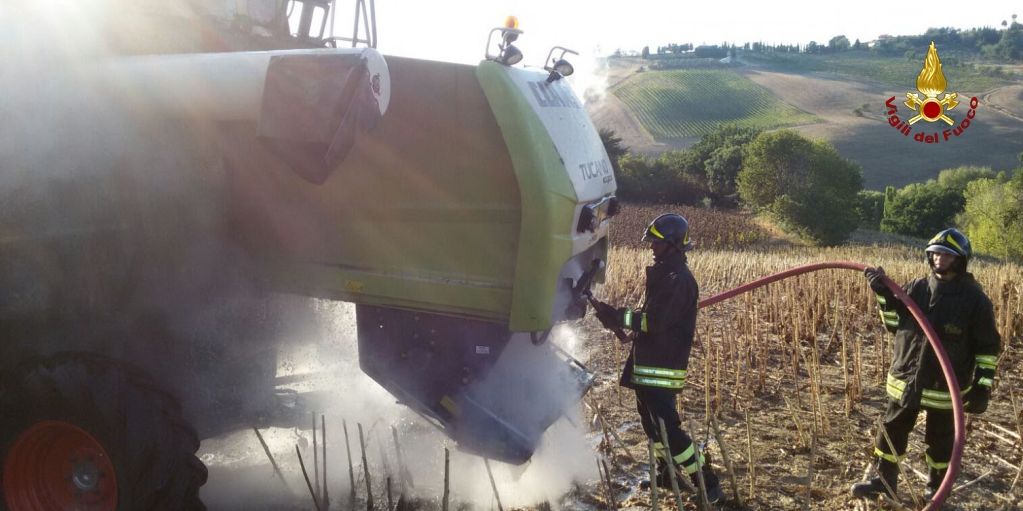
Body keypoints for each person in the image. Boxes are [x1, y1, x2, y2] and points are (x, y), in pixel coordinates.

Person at [851, 228, 1001, 500]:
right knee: (891, 432)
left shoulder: (975, 301)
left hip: (945, 388)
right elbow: (895, 326)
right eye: (935, 254)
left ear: (961, 259)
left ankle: (936, 491)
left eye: (947, 255)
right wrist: (884, 296)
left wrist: (982, 386)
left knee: (941, 443)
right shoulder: (915, 289)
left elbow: (988, 348)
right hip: (906, 381)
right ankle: (884, 481)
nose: (939, 259)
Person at [592, 213, 725, 503]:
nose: (651, 246)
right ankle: (667, 473)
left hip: (660, 368)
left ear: (674, 245)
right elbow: (648, 322)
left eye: (656, 242)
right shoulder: (666, 274)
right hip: (649, 365)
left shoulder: (678, 280)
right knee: (652, 427)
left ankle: (706, 481)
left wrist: (618, 316)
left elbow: (654, 322)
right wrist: (617, 321)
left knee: (667, 430)